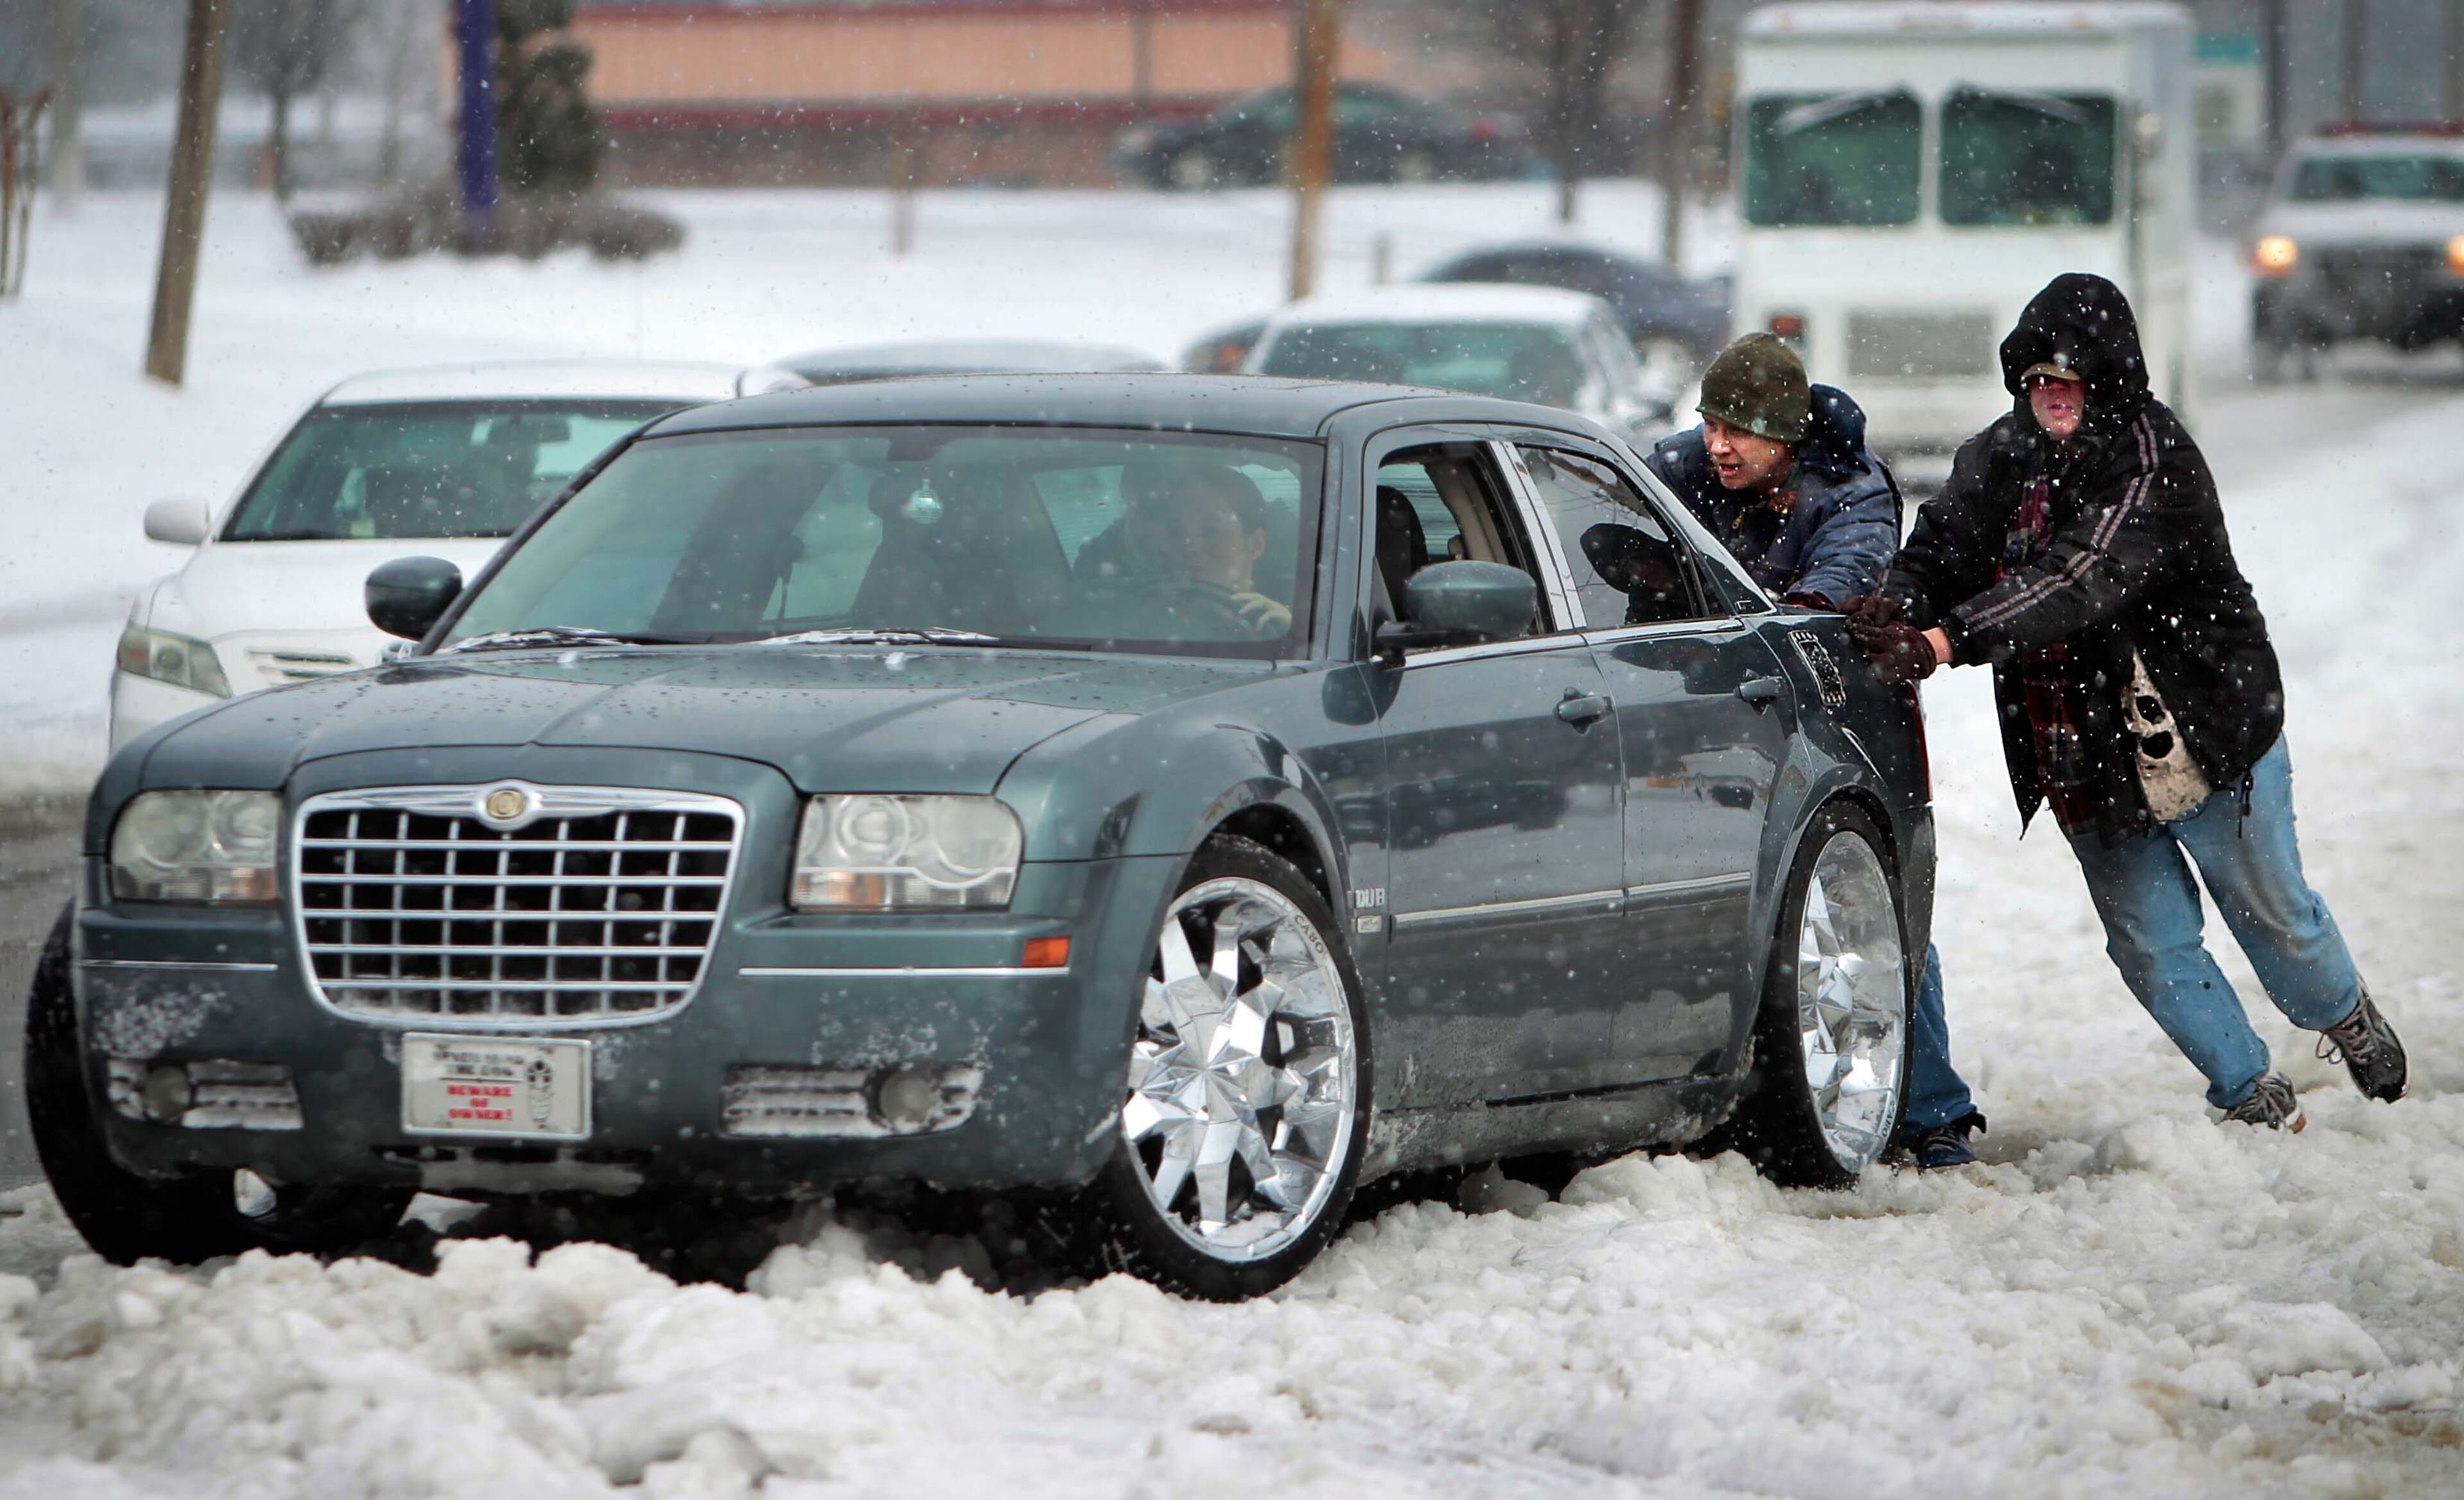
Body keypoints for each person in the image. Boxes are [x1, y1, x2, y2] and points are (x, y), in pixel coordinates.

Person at [1845, 272, 2405, 1132]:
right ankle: (2252, 1094)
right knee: (2150, 943)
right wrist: (1898, 603)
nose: (2050, 395)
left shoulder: (2156, 460)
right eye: (2035, 380)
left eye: (2066, 377)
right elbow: (1943, 546)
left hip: (2208, 739)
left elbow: (2077, 576)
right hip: (2083, 755)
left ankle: (2343, 1014)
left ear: (2108, 376)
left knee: (2275, 919)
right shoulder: (2004, 455)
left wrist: (1945, 641)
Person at [1648, 332, 1989, 1168]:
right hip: (1727, 710)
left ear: (1788, 438)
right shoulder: (1684, 466)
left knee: (1870, 908)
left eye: (1741, 430)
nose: (1718, 444)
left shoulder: (1851, 493)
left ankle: (1931, 1111)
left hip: (1837, 713)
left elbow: (1822, 604)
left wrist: (1719, 615)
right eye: (1710, 423)